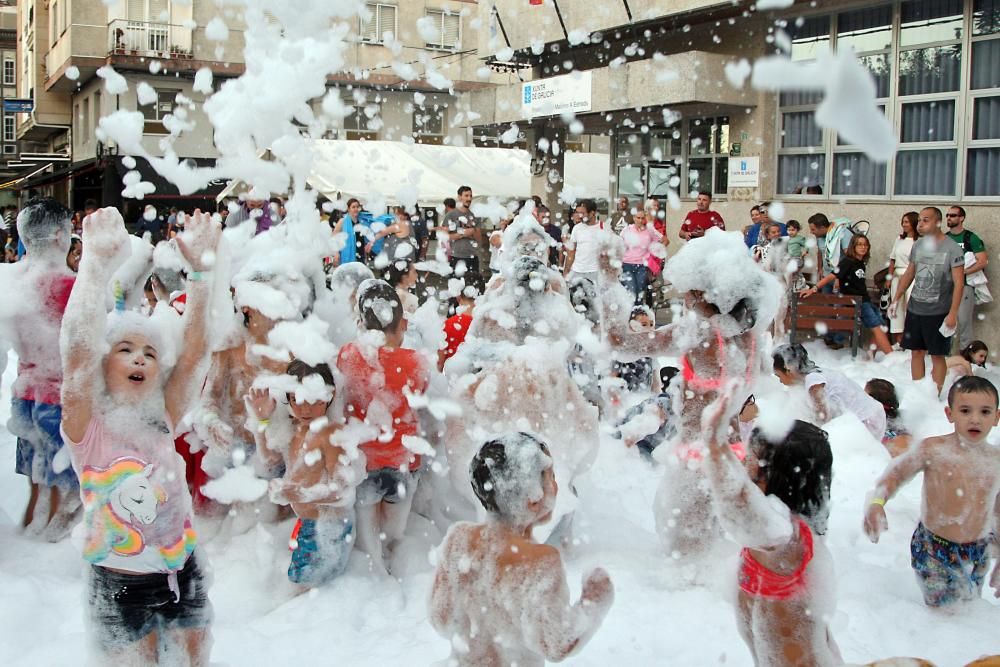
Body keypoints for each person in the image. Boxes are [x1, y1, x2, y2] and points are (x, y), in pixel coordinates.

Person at [61, 206, 219, 664]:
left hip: (182, 567)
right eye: (125, 349)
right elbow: (75, 358)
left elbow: (194, 356)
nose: (139, 359)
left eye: (150, 352)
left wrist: (202, 273)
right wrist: (94, 268)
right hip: (119, 579)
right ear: (102, 362)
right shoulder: (86, 426)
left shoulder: (160, 416)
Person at [429, 433, 614, 667]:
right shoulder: (539, 562)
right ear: (534, 498)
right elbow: (557, 643)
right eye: (551, 477)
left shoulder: (459, 540)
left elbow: (441, 617)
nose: (556, 486)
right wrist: (595, 599)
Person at [702, 391, 841, 667]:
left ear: (778, 479)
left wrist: (714, 445)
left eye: (750, 463)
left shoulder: (784, 540)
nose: (742, 466)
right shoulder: (775, 527)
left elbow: (735, 506)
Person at [863, 376, 1000, 607]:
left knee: (968, 609)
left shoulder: (995, 461)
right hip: (934, 547)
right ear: (949, 414)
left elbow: (996, 508)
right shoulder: (934, 450)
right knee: (943, 614)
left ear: (997, 417)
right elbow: (896, 474)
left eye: (985, 412)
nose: (975, 419)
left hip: (977, 550)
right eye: (965, 410)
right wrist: (876, 502)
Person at [337, 280, 429, 574]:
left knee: (368, 538)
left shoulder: (349, 355)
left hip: (364, 462)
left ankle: (373, 569)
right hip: (403, 462)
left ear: (361, 323)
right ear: (403, 323)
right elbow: (420, 401)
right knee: (394, 533)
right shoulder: (416, 362)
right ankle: (396, 562)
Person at [0, 198, 80, 537]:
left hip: (25, 394)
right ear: (61, 235)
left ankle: (28, 540)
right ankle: (48, 558)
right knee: (66, 492)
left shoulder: (13, 282)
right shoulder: (69, 286)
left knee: (37, 482)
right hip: (60, 396)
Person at [248, 360, 363, 588]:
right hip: (309, 522)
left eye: (313, 400)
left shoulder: (331, 434)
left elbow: (342, 491)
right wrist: (262, 420)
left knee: (306, 586)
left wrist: (301, 494)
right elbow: (269, 460)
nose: (305, 409)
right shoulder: (295, 428)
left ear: (329, 396)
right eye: (297, 401)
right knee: (300, 584)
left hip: (330, 527)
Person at [890, 207, 965, 393]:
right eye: (919, 221)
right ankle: (918, 391)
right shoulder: (919, 245)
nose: (920, 224)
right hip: (916, 308)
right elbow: (910, 273)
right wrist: (896, 299)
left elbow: (959, 283)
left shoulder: (952, 248)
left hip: (939, 311)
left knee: (937, 355)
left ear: (937, 222)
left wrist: (953, 313)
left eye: (925, 220)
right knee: (916, 351)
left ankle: (935, 394)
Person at [800, 234, 893, 356]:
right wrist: (814, 288)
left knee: (882, 325)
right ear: (853, 246)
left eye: (865, 245)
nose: (863, 247)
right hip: (857, 302)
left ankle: (870, 356)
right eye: (859, 244)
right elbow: (832, 276)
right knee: (877, 327)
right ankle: (891, 356)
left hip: (865, 300)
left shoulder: (861, 263)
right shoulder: (848, 262)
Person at [773, 344, 886, 440]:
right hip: (872, 414)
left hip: (868, 421)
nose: (780, 381)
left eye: (779, 376)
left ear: (788, 369)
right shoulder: (813, 374)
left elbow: (823, 417)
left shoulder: (814, 382)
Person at [945, 205, 989, 350]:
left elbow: (982, 261)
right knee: (945, 322)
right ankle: (945, 358)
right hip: (946, 286)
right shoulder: (945, 237)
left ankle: (965, 359)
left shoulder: (971, 238)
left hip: (964, 286)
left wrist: (963, 272)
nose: (949, 218)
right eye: (948, 215)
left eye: (953, 215)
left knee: (963, 322)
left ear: (961, 218)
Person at [886, 212, 920, 346]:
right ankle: (899, 341)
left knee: (910, 308)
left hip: (913, 276)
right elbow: (892, 259)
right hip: (897, 275)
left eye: (907, 222)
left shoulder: (920, 241)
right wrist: (889, 278)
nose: (904, 224)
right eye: (903, 222)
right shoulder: (899, 239)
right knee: (896, 307)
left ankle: (911, 340)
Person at [438, 270, 483, 372]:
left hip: (454, 381)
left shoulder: (447, 325)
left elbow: (439, 366)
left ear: (458, 297)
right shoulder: (487, 324)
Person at [619, 207, 665, 304]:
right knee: (631, 292)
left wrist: (655, 252)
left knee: (640, 292)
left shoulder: (650, 230)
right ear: (634, 218)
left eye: (642, 218)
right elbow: (618, 246)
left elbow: (664, 241)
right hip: (627, 264)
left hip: (642, 265)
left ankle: (637, 315)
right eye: (638, 218)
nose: (640, 220)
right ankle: (632, 315)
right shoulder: (626, 230)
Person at [864, 379, 912, 457]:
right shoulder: (896, 415)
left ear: (872, 399)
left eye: (864, 395)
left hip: (889, 444)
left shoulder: (871, 417)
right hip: (902, 441)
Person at [562, 199, 605, 283]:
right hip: (577, 271)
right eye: (577, 212)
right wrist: (566, 271)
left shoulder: (603, 228)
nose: (579, 216)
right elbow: (571, 252)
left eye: (582, 213)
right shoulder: (577, 228)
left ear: (592, 213)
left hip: (595, 272)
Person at [443, 185, 481, 274]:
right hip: (456, 257)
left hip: (472, 257)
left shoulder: (476, 215)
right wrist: (463, 233)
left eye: (470, 196)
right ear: (460, 197)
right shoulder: (451, 215)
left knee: (473, 287)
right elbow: (444, 237)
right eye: (466, 196)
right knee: (456, 286)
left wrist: (473, 231)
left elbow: (479, 239)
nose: (469, 199)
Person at [331, 197, 365, 266]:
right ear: (349, 209)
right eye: (353, 207)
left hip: (360, 256)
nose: (356, 209)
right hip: (347, 256)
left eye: (357, 207)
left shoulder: (361, 222)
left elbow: (362, 240)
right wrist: (336, 253)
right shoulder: (342, 221)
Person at [784, 220, 808, 291]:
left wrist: (805, 251)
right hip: (789, 258)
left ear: (797, 230)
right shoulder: (787, 239)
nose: (790, 232)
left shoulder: (799, 238)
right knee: (791, 272)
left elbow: (806, 245)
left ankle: (789, 286)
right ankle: (796, 284)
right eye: (788, 230)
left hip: (797, 258)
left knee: (791, 271)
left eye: (793, 230)